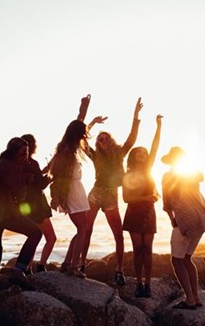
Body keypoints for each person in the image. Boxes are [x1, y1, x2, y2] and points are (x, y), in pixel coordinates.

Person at [80, 97, 144, 285]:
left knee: (118, 235)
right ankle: (81, 264)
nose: (102, 141)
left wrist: (136, 116)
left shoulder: (120, 153)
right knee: (87, 229)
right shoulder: (94, 156)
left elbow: (132, 138)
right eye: (99, 139)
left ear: (110, 140)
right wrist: (91, 123)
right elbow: (83, 140)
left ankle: (119, 270)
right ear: (98, 143)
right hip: (95, 193)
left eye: (105, 138)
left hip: (111, 196)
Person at [0, 137, 43, 306]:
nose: (25, 157)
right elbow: (20, 194)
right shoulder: (11, 166)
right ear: (14, 152)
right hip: (0, 214)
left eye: (26, 153)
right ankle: (19, 270)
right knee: (36, 233)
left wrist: (21, 179)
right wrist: (24, 181)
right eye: (23, 153)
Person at [49, 94, 105, 278]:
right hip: (72, 190)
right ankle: (73, 266)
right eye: (83, 133)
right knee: (83, 229)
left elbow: (80, 124)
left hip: (75, 190)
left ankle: (67, 263)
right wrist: (84, 110)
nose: (85, 135)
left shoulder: (66, 144)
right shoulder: (68, 147)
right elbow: (80, 123)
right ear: (77, 134)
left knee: (82, 228)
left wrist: (86, 110)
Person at [161, 146, 205, 309]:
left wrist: (172, 218)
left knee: (177, 260)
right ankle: (196, 297)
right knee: (186, 259)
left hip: (185, 220)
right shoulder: (192, 174)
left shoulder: (168, 176)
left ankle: (190, 299)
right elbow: (200, 176)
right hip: (201, 219)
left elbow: (167, 202)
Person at [122, 114, 163, 297]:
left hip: (148, 213)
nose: (144, 155)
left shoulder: (148, 170)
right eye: (140, 153)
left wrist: (158, 126)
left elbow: (155, 147)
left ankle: (148, 284)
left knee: (148, 249)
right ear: (134, 156)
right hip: (134, 213)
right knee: (138, 249)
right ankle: (138, 283)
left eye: (145, 154)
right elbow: (126, 198)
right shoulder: (127, 174)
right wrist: (146, 197)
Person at [20, 133, 56, 273]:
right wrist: (50, 177)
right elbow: (40, 185)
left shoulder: (19, 165)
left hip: (26, 207)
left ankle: (27, 268)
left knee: (34, 237)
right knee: (51, 238)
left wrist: (45, 171)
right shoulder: (32, 163)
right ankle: (41, 266)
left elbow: (33, 181)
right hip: (38, 206)